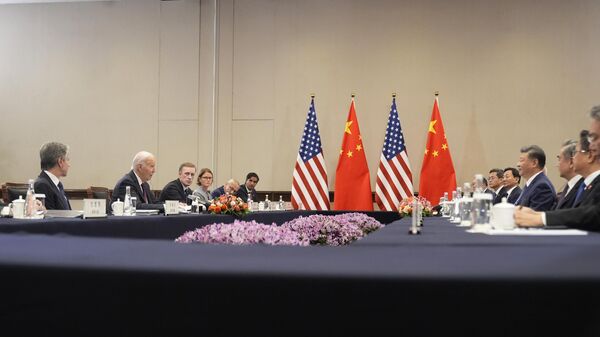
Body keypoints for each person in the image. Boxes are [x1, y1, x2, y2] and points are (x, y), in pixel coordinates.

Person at [516, 106, 600, 230]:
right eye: (592, 138)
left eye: (596, 138)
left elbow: (594, 214)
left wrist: (541, 218)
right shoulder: (587, 185)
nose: (592, 146)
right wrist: (538, 215)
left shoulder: (541, 185)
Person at [513, 145, 556, 211]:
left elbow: (534, 217)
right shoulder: (531, 183)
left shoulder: (542, 187)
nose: (518, 164)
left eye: (521, 160)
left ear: (534, 163)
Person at [34, 141, 72, 210]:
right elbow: (50, 218)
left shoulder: (57, 185)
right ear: (60, 161)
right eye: (67, 160)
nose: (69, 165)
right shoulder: (42, 185)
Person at [553, 139, 583, 210]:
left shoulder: (582, 188)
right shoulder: (569, 186)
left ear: (571, 162)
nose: (557, 165)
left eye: (559, 159)